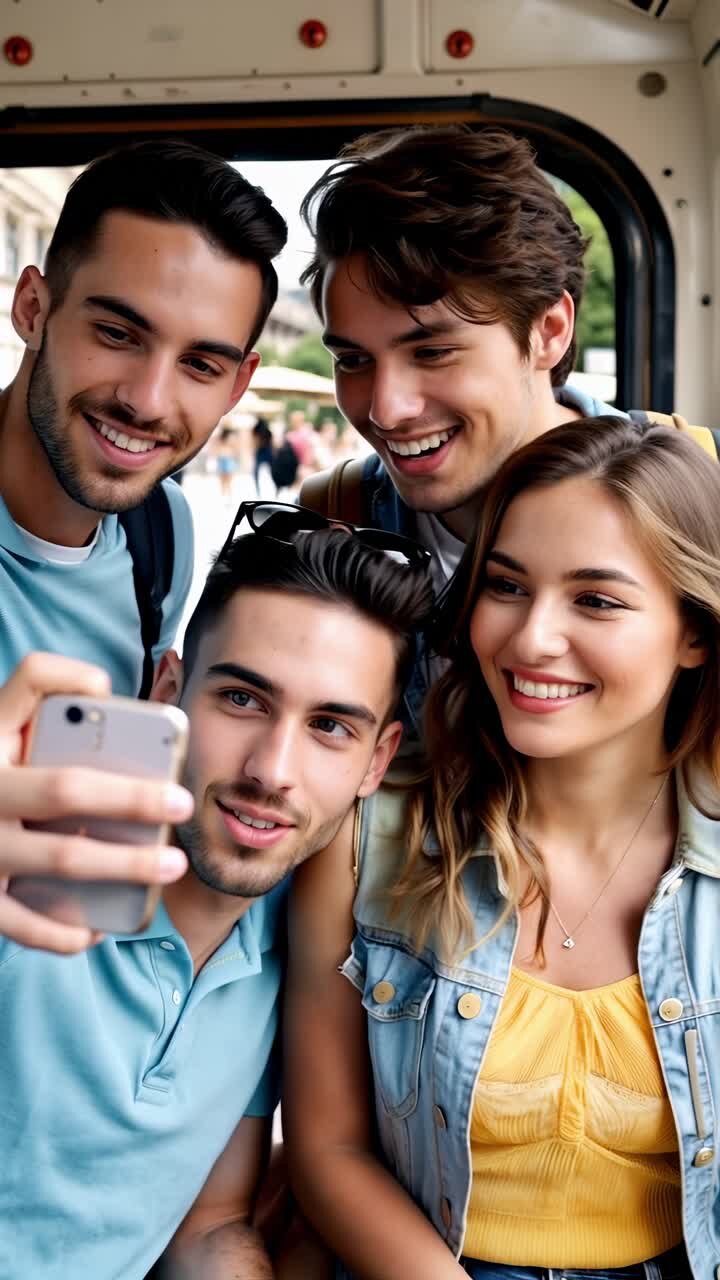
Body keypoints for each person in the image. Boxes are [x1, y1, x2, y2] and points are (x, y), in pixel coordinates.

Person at [286, 417, 720, 1280]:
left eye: (595, 600)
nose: (530, 640)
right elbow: (326, 1149)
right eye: (507, 586)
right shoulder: (371, 831)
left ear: (694, 633)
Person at [0, 503, 434, 1279]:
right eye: (241, 699)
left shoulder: (299, 945)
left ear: (378, 760)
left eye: (331, 726)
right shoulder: (31, 860)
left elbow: (208, 1224)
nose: (271, 769)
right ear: (170, 685)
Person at [0, 138, 287, 949]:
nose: (147, 400)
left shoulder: (164, 533)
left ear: (237, 385)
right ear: (33, 308)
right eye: (119, 332)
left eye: (200, 364)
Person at [300, 124, 628, 727]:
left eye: (432, 353)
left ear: (548, 332)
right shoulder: (336, 518)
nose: (385, 409)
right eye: (353, 360)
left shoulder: (689, 513)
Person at [213, 423, 240, 502]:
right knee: (225, 480)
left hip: (226, 458)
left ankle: (226, 497)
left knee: (225, 480)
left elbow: (235, 448)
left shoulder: (229, 437)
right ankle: (226, 497)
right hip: (225, 458)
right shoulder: (223, 437)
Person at [252, 415, 275, 494]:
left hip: (261, 451)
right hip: (267, 452)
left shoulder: (257, 430)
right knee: (272, 471)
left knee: (256, 473)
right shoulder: (267, 431)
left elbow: (255, 441)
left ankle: (258, 490)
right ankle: (275, 488)